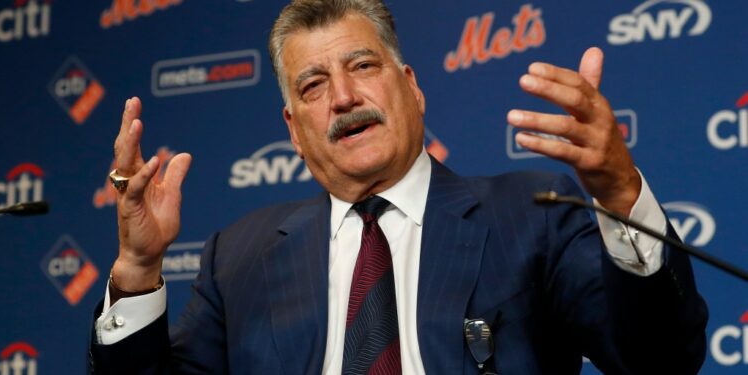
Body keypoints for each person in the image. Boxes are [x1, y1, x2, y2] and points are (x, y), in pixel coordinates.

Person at [90, 0, 708, 374]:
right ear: (295, 132)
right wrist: (139, 268)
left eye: (362, 65)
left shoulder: (531, 215)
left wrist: (620, 190)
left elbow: (661, 363)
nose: (343, 97)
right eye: (312, 86)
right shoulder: (240, 259)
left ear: (411, 88)